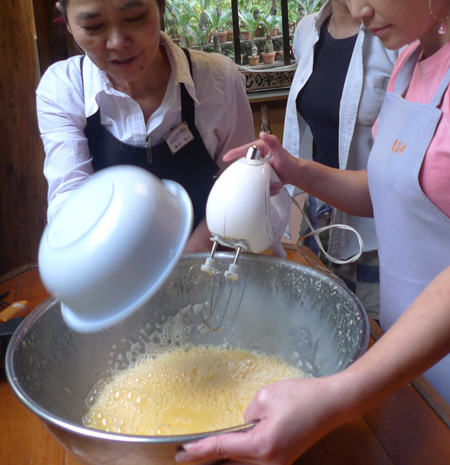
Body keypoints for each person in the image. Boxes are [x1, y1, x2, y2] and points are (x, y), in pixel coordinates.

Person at [174, 0, 450, 463]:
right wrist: (296, 170)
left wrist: (341, 394)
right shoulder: (409, 58)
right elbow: (387, 188)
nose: (359, 8)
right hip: (407, 355)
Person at [36, 0, 254, 253]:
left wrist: (187, 263)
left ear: (160, 6)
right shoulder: (65, 87)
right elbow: (69, 198)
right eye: (93, 26)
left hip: (212, 265)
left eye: (135, 17)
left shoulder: (217, 80)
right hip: (115, 267)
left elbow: (238, 188)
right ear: (68, 22)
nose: (117, 42)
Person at [284, 0, 401, 320]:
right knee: (319, 324)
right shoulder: (308, 32)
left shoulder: (393, 36)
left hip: (376, 230)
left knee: (372, 332)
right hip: (319, 215)